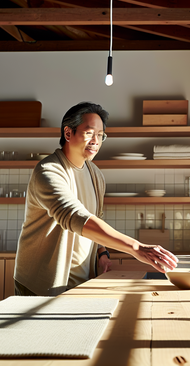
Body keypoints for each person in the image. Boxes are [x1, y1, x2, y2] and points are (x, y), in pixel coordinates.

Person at [14, 101, 178, 296]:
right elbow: (74, 216)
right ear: (68, 133)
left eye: (100, 135)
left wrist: (102, 252)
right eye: (90, 133)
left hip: (82, 282)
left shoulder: (96, 174)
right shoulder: (49, 171)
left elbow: (95, 216)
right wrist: (137, 247)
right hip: (41, 282)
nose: (96, 141)